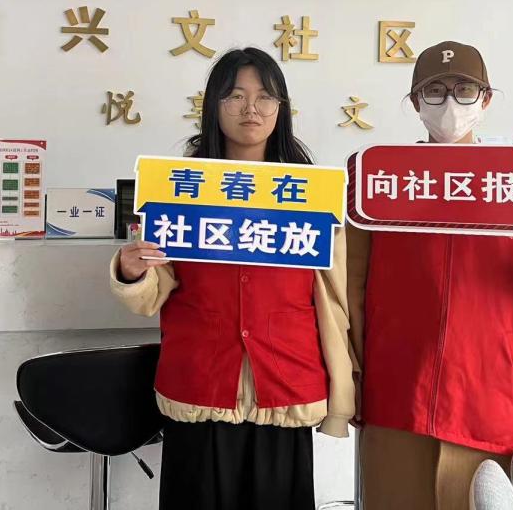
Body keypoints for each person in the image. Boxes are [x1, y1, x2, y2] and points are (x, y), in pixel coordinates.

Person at [110, 47, 353, 510]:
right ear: (213, 106)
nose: (251, 109)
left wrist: (345, 383)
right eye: (235, 96)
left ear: (281, 108)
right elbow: (151, 294)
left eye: (265, 97)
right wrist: (131, 271)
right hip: (200, 386)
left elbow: (334, 297)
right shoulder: (179, 186)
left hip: (284, 386)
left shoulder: (312, 192)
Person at [348, 40, 513, 510]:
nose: (450, 104)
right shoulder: (382, 182)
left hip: (492, 391)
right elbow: (352, 289)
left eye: (464, 90)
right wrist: (352, 374)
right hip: (400, 389)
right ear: (416, 103)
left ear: (486, 100)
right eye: (435, 91)